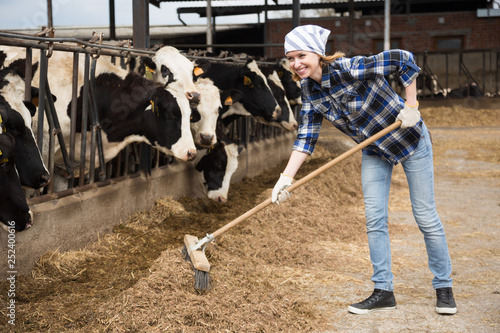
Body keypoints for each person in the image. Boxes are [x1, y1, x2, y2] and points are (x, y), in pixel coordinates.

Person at [272, 25, 457, 315]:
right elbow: (306, 137)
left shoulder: (349, 68)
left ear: (319, 54)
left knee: (424, 215)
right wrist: (285, 179)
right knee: (375, 219)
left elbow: (403, 58)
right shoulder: (308, 91)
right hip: (374, 150)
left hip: (409, 139)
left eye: (301, 55)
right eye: (291, 58)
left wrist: (412, 105)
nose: (296, 63)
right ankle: (383, 291)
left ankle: (444, 287)